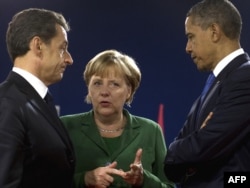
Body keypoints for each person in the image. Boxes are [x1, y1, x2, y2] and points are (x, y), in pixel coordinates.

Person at [164, 0, 250, 187]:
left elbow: (203, 146)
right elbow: (172, 168)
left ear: (214, 31)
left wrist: (174, 150)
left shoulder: (246, 77)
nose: (187, 47)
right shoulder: (212, 85)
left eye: (191, 36)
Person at [61, 49, 175, 188]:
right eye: (97, 83)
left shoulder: (151, 130)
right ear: (88, 88)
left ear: (129, 91)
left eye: (114, 84)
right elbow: (46, 182)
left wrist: (143, 180)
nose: (104, 92)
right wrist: (84, 179)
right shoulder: (66, 127)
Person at [0, 8, 75, 187]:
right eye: (62, 48)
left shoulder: (38, 101)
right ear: (38, 46)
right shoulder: (7, 103)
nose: (69, 59)